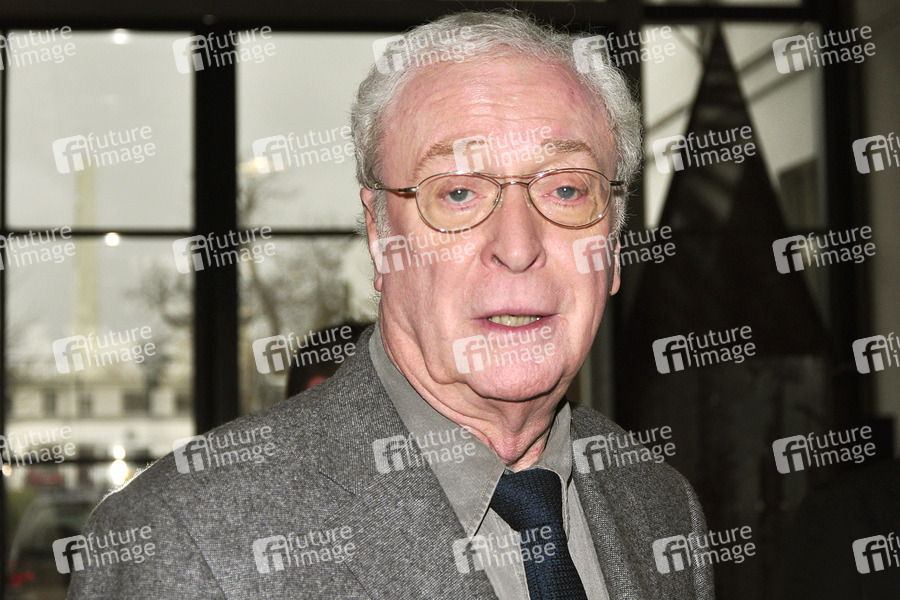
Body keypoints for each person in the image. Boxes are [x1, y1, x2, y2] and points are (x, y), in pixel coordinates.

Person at [67, 11, 713, 599]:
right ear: (380, 236)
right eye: (457, 193)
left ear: (613, 243)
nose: (518, 247)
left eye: (567, 190)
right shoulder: (185, 543)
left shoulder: (662, 509)